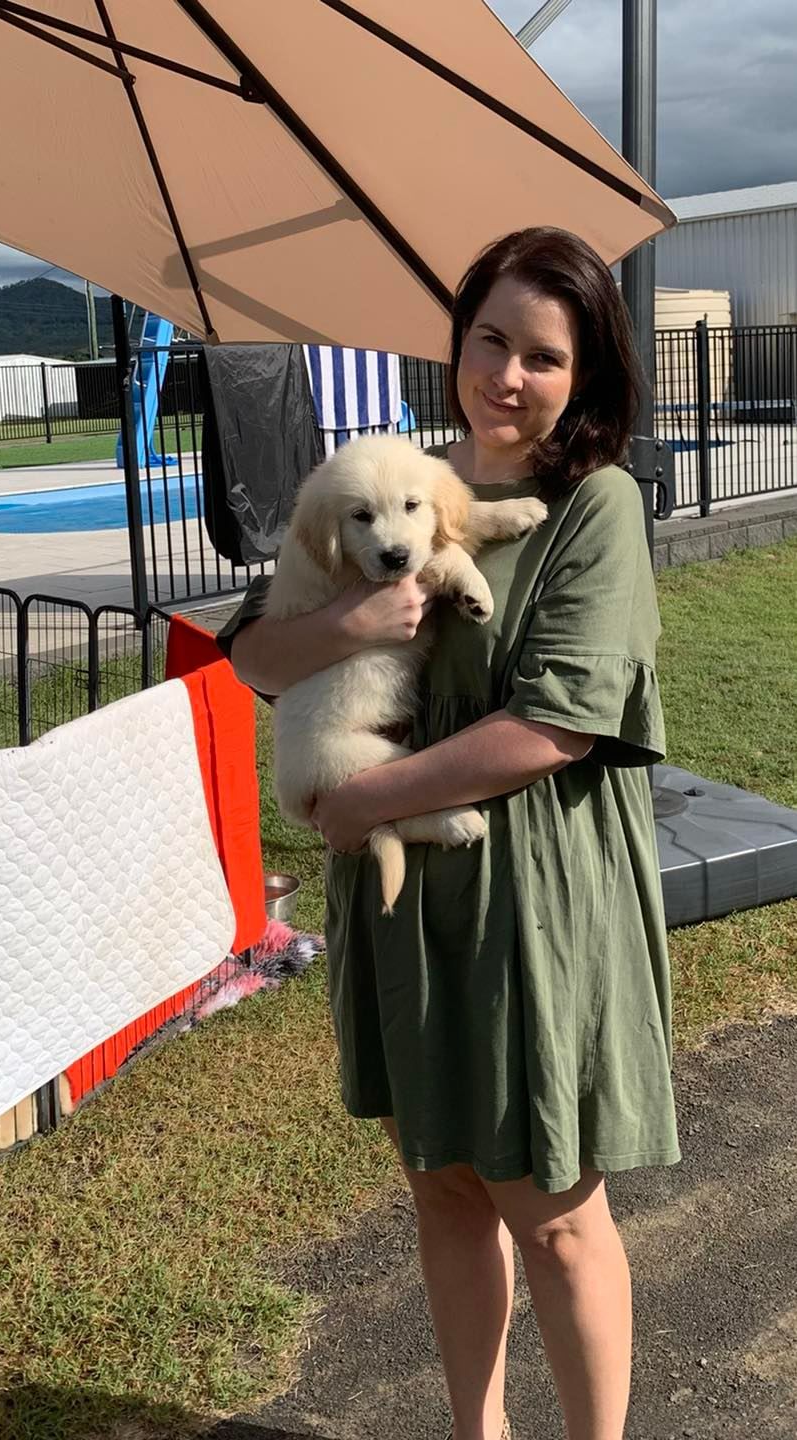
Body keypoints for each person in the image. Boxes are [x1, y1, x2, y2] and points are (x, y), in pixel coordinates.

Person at [216, 227, 680, 1440]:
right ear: (457, 341)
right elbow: (252, 650)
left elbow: (556, 725)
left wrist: (363, 801)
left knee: (555, 1213)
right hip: (408, 903)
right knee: (445, 1190)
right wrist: (355, 623)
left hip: (528, 894)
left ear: (585, 375)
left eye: (543, 356)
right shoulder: (395, 487)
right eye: (490, 341)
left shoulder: (591, 506)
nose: (507, 377)